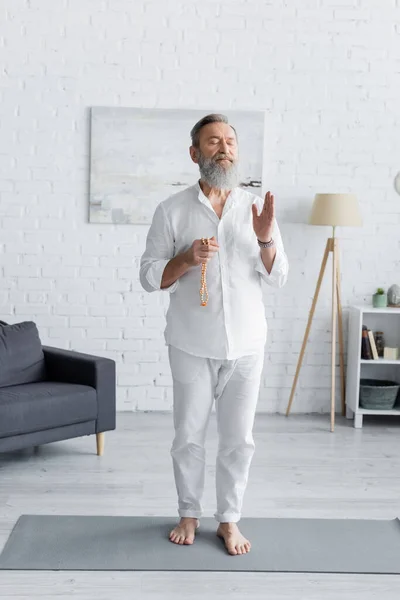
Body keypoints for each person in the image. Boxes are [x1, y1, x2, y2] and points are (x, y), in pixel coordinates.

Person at [139, 113, 288, 556]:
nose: (223, 148)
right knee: (188, 435)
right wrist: (185, 259)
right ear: (194, 153)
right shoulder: (171, 210)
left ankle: (229, 520)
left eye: (229, 141)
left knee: (239, 438)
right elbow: (149, 277)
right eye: (212, 142)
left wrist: (265, 240)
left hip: (247, 345)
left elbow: (278, 276)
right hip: (190, 343)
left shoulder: (257, 210)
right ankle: (189, 512)